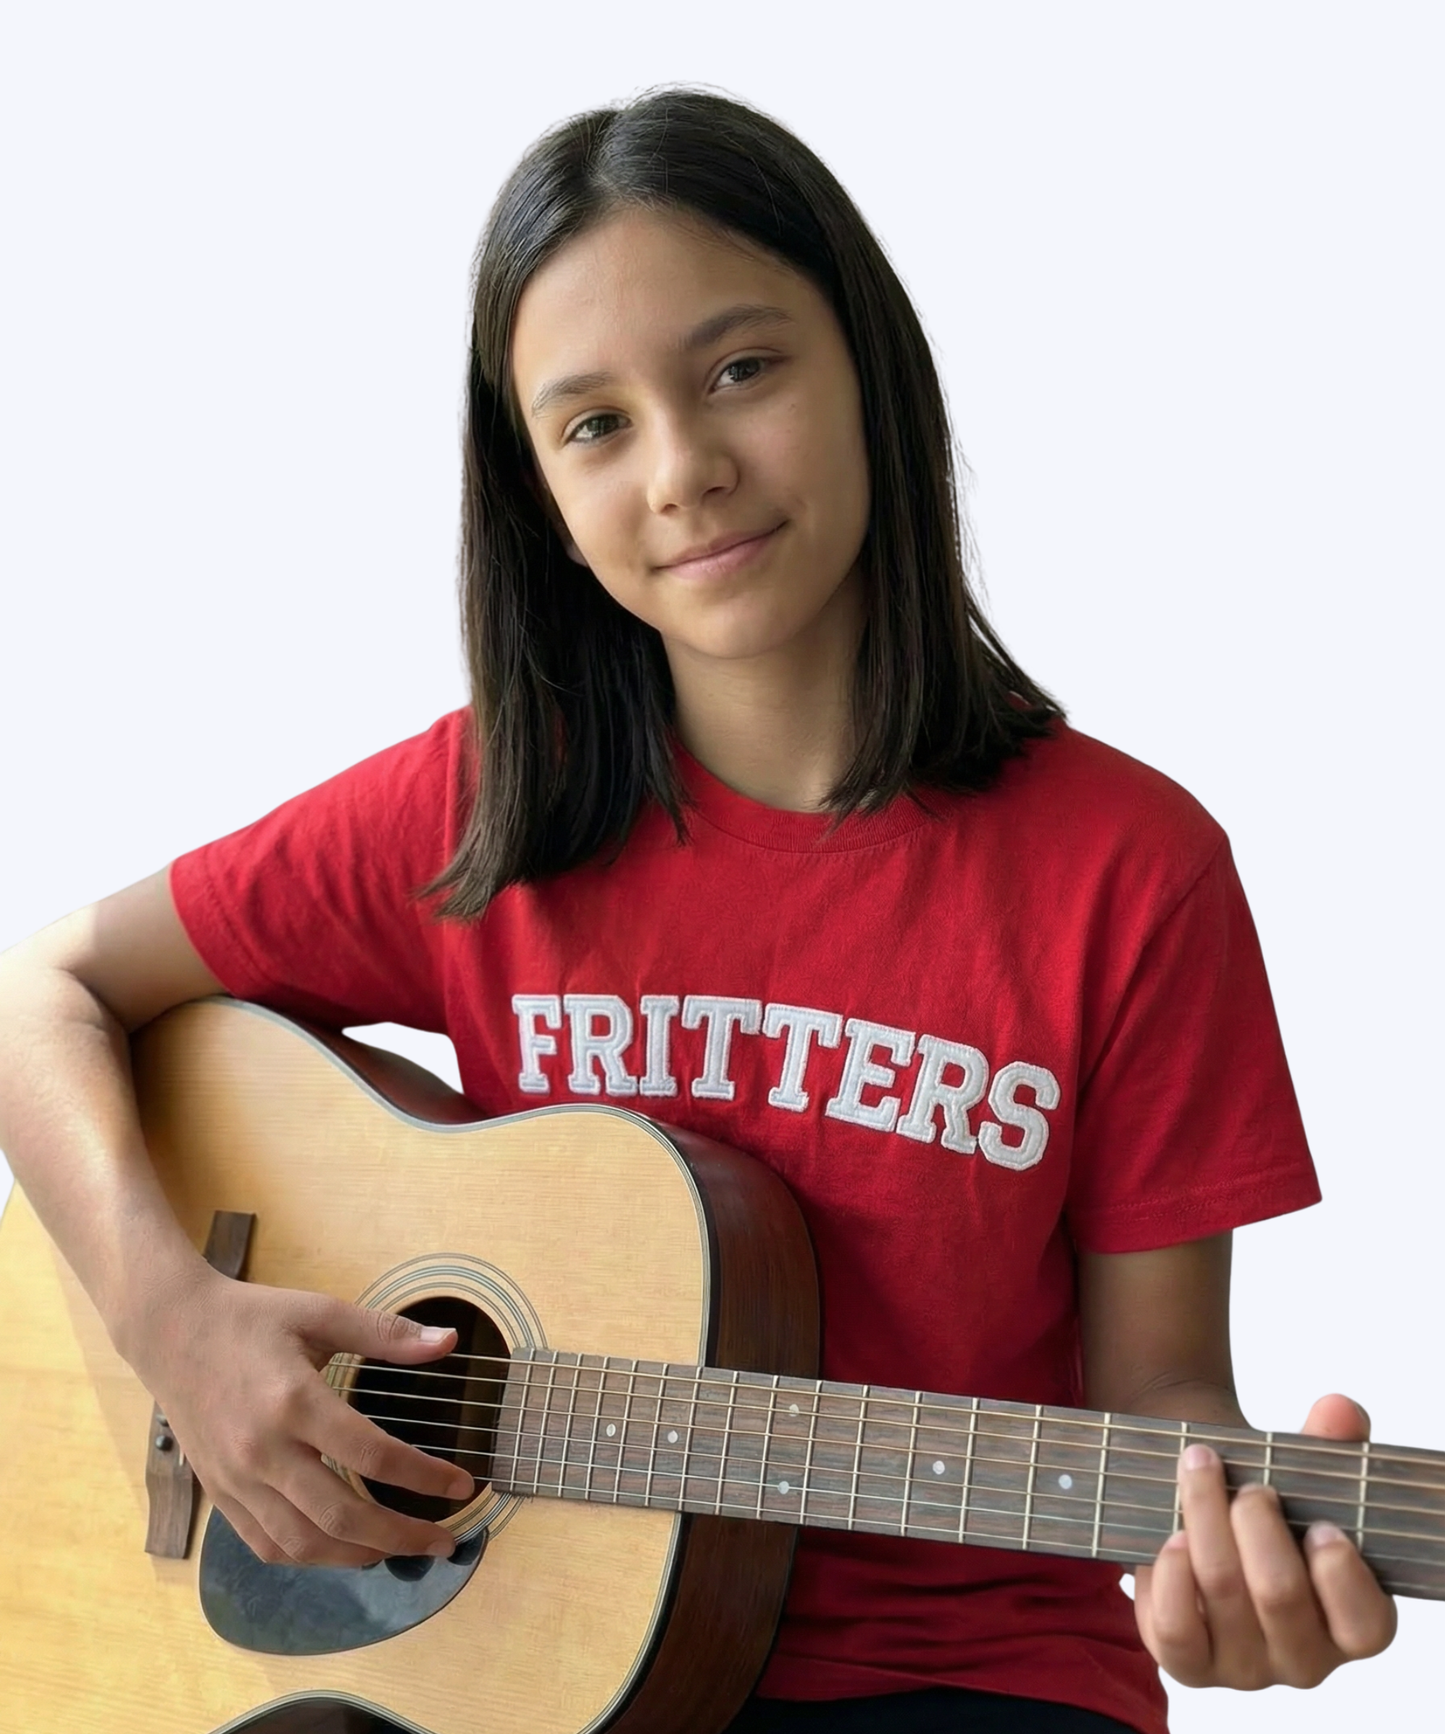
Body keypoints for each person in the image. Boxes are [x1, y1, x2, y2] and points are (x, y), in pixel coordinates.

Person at [0, 88, 1397, 1734]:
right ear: (538, 494)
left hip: (965, 1670)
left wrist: (1235, 1576)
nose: (686, 470)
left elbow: (1162, 1394)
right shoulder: (486, 811)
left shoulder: (1134, 868)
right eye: (596, 424)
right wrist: (172, 1320)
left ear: (869, 366)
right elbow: (42, 995)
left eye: (741, 370)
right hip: (525, 1658)